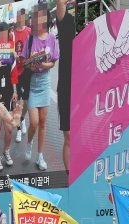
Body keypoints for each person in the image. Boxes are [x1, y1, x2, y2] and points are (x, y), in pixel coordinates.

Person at [21, 2, 59, 171]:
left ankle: (40, 156)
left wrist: (44, 65)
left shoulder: (51, 37)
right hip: (33, 82)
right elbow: (23, 63)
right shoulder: (30, 38)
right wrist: (31, 62)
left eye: (43, 15)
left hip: (45, 81)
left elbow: (53, 62)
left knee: (43, 123)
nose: (40, 19)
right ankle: (29, 142)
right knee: (34, 122)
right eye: (37, 16)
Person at [0, 22, 17, 172]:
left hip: (8, 92)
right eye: (1, 34)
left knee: (9, 128)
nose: (4, 37)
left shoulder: (11, 51)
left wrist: (14, 91)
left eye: (6, 34)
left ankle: (6, 151)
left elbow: (14, 74)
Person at [56, 0, 75, 172]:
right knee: (68, 135)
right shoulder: (66, 21)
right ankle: (69, 175)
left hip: (84, 88)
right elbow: (61, 5)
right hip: (66, 88)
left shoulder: (94, 29)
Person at [13, 8, 31, 144]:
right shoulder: (12, 33)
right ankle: (18, 128)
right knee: (17, 101)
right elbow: (9, 49)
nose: (21, 19)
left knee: (26, 101)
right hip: (15, 71)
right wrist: (13, 54)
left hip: (27, 70)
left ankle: (23, 118)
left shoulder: (29, 31)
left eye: (23, 16)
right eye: (19, 16)